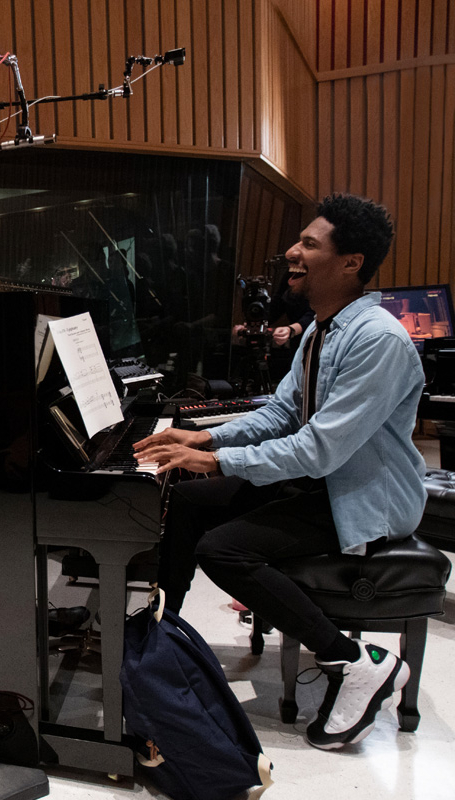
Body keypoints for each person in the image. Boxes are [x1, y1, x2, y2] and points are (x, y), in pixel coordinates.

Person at [134, 193, 425, 751]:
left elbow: (317, 449)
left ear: (351, 263)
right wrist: (205, 435)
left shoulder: (378, 340)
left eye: (309, 245)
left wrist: (216, 459)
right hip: (325, 482)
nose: (291, 251)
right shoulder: (323, 329)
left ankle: (352, 659)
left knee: (222, 549)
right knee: (193, 502)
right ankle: (165, 637)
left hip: (366, 498)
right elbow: (281, 413)